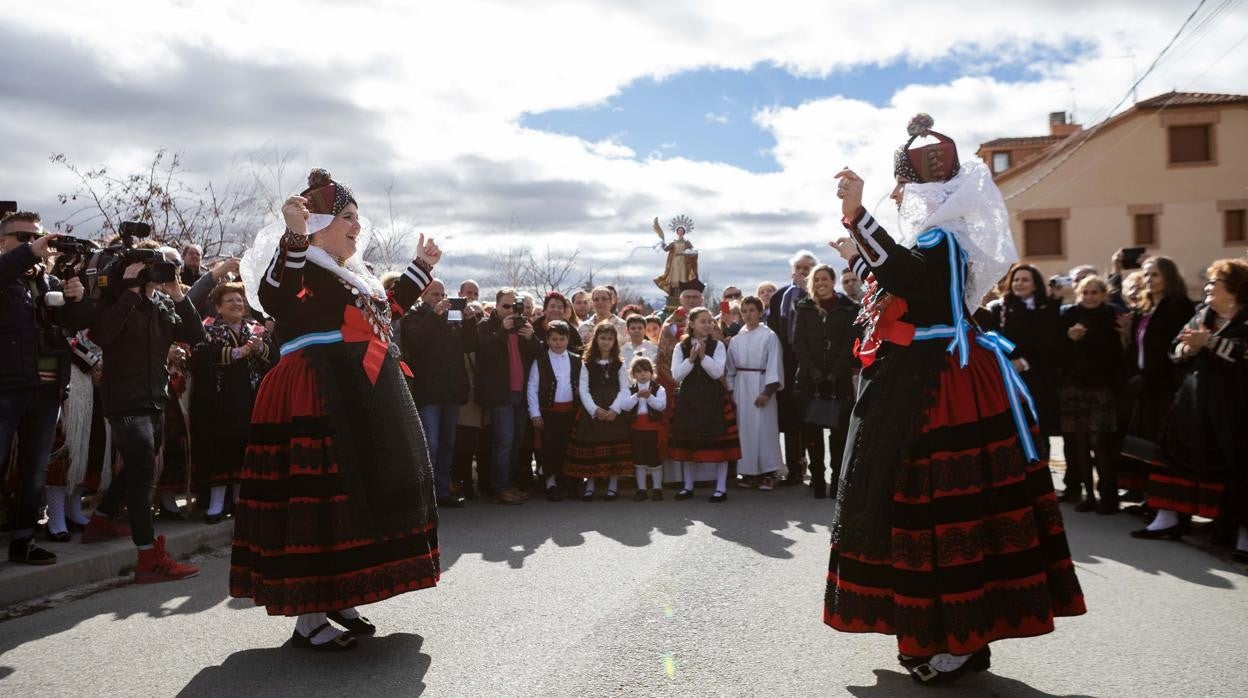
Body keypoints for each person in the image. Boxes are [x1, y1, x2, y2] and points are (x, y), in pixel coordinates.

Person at [825, 114, 1084, 684]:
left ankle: (960, 639)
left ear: (927, 191)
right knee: (916, 509)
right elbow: (907, 289)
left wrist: (859, 217)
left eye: (903, 188)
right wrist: (857, 250)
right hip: (922, 377)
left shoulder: (942, 238)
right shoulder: (938, 239)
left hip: (939, 386)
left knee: (942, 510)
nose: (897, 196)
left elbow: (913, 280)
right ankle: (938, 631)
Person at [230, 169, 441, 650]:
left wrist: (419, 269)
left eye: (357, 217)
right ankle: (308, 613)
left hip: (356, 390)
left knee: (355, 498)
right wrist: (295, 234)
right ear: (320, 224)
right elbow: (276, 292)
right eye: (347, 217)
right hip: (316, 390)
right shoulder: (302, 266)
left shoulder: (348, 274)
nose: (357, 226)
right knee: (320, 501)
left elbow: (380, 315)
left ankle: (338, 591)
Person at [83, 224, 205, 583]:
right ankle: (148, 557)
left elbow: (194, 335)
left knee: (136, 468)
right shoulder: (113, 300)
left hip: (154, 397)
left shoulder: (163, 302)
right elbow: (102, 336)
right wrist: (131, 291)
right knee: (143, 474)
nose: (160, 271)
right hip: (124, 399)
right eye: (154, 266)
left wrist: (178, 292)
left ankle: (102, 520)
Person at [1132, 258, 1248, 564]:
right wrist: (1191, 348)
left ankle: (1242, 534)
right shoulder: (1201, 315)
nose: (1208, 288)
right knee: (1173, 453)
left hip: (1235, 404)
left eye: (1215, 283)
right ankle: (1168, 516)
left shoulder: (1245, 319)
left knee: (1237, 465)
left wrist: (1210, 342)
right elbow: (1175, 349)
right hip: (1193, 400)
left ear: (1234, 290)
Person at [2, 212, 94, 565]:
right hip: (7, 386)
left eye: (36, 237)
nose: (32, 243)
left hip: (47, 388)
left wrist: (77, 297)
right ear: (2, 243)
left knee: (35, 468)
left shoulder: (50, 281)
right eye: (22, 237)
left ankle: (23, 540)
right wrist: (29, 253)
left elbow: (79, 325)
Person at [189, 282, 273, 525]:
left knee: (243, 447)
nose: (237, 304)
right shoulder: (207, 328)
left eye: (240, 299)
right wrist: (238, 353)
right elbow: (201, 357)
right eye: (230, 300)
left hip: (249, 397)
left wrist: (260, 349)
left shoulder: (256, 330)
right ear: (218, 306)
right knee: (219, 449)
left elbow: (274, 358)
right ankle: (216, 503)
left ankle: (238, 501)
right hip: (217, 399)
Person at [401, 278, 478, 509]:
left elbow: (470, 346)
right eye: (435, 294)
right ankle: (426, 494)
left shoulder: (452, 318)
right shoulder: (413, 317)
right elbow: (415, 343)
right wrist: (434, 315)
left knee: (447, 444)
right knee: (430, 444)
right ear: (423, 296)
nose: (440, 299)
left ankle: (442, 492)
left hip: (451, 391)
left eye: (442, 294)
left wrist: (470, 322)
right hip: (429, 392)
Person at [1121, 256, 1194, 497]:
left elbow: (1171, 349)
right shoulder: (1146, 308)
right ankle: (1151, 498)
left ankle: (1168, 503)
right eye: (1146, 274)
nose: (1148, 280)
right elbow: (1141, 347)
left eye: (1155, 274)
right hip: (1145, 386)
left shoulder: (1178, 305)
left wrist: (1149, 375)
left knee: (1164, 445)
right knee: (1145, 446)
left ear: (1168, 277)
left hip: (1164, 386)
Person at [791, 265, 859, 499]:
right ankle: (818, 479)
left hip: (837, 381)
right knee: (812, 433)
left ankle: (837, 478)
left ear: (833, 281)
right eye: (817, 279)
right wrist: (813, 371)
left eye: (825, 279)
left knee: (838, 434)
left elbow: (851, 343)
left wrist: (834, 373)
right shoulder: (804, 307)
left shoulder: (849, 308)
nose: (821, 283)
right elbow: (798, 342)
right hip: (810, 381)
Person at [1057, 276, 1122, 514]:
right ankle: (1089, 495)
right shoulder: (1068, 314)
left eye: (1095, 292)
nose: (1090, 297)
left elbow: (1115, 352)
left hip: (1100, 386)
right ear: (1078, 293)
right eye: (1086, 292)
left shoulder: (1111, 315)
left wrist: (1089, 338)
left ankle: (1108, 494)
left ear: (1104, 294)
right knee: (1080, 441)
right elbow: (1059, 352)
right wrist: (1070, 340)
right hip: (1073, 385)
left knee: (1099, 441)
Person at [984, 263, 1061, 459]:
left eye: (1025, 280)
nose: (1019, 283)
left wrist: (1025, 362)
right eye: (1016, 279)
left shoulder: (1047, 308)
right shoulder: (997, 308)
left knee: (1038, 427)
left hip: (1037, 379)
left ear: (1035, 285)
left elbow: (1051, 344)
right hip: (1006, 378)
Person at [670, 307, 741, 503]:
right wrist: (691, 359)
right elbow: (677, 375)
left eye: (710, 321)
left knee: (719, 441)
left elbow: (718, 372)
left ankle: (720, 487)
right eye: (703, 321)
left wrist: (703, 357)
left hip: (712, 397)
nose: (708, 325)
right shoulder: (680, 347)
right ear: (692, 324)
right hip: (689, 398)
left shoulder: (717, 346)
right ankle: (688, 485)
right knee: (689, 440)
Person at [476, 287, 538, 504]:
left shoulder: (524, 325)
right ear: (496, 306)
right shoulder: (486, 325)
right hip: (501, 394)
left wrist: (531, 338)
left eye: (515, 306)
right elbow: (484, 354)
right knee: (504, 441)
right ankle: (500, 487)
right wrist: (502, 331)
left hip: (521, 393)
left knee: (517, 442)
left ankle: (510, 485)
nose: (511, 310)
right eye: (506, 306)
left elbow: (539, 355)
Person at [565, 322, 632, 500]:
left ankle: (612, 484)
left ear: (614, 341)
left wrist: (615, 409)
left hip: (613, 410)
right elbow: (584, 389)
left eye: (610, 339)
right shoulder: (587, 363)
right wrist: (594, 410)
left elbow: (625, 389)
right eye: (602, 338)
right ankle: (591, 483)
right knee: (592, 447)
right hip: (593, 410)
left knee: (613, 448)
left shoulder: (619, 364)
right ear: (596, 340)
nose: (606, 342)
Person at [767, 250, 818, 486]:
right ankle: (794, 468)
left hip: (810, 363)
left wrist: (806, 292)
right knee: (789, 418)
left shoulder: (818, 295)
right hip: (786, 363)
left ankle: (814, 465)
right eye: (798, 268)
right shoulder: (778, 297)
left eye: (807, 269)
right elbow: (772, 331)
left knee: (809, 417)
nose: (801, 272)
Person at [726, 296, 783, 490]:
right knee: (746, 431)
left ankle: (769, 472)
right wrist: (733, 392)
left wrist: (767, 392)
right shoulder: (736, 339)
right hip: (742, 387)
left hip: (761, 383)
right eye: (744, 311)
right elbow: (731, 369)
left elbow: (774, 363)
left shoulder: (769, 335)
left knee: (764, 430)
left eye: (752, 310)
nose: (748, 314)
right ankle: (749, 472)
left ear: (760, 312)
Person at [526, 320, 579, 502]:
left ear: (568, 339)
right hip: (549, 412)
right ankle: (550, 483)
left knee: (568, 448)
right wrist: (535, 413)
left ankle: (568, 482)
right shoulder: (540, 361)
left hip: (570, 411)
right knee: (549, 449)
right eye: (554, 339)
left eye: (562, 339)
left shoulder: (576, 360)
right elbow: (532, 387)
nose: (558, 343)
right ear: (547, 340)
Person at [619, 356, 667, 501]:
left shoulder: (659, 389)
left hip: (653, 429)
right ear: (633, 374)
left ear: (651, 372)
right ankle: (641, 489)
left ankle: (657, 488)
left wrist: (649, 397)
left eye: (646, 371)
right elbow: (624, 406)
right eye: (638, 372)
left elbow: (661, 406)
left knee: (655, 459)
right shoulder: (629, 390)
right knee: (639, 460)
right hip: (636, 429)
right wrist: (637, 396)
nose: (643, 374)